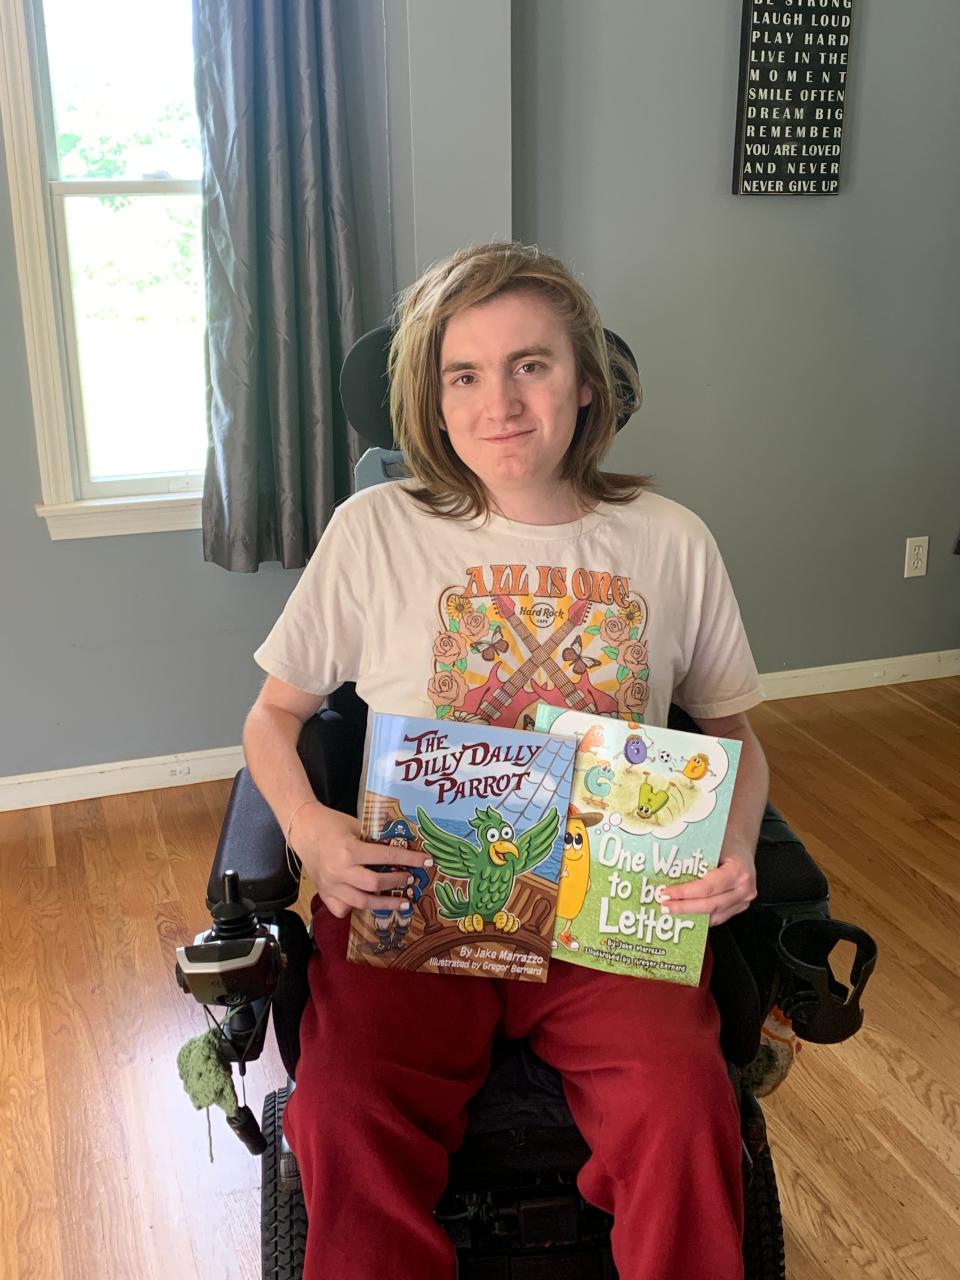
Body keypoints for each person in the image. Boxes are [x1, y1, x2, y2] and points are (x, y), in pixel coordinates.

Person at [243, 241, 769, 1280]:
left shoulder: (667, 539)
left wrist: (739, 840)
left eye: (531, 364)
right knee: (346, 1109)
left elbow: (736, 730)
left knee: (681, 1102)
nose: (503, 402)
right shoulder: (375, 532)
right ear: (434, 404)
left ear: (586, 381)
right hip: (416, 893)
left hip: (610, 911)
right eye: (465, 374)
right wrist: (312, 828)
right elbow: (272, 715)